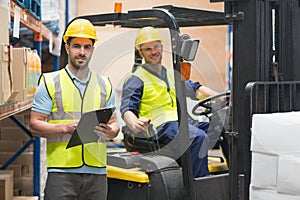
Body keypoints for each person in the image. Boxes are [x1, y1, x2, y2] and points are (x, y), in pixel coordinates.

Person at [29, 18, 120, 200]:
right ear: (67, 47)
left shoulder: (105, 85)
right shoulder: (50, 82)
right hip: (62, 173)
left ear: (92, 49)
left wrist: (110, 132)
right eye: (77, 46)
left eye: (87, 47)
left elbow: (114, 124)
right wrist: (65, 128)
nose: (82, 52)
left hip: (97, 173)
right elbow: (34, 125)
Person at [120, 26, 218, 178]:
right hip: (160, 127)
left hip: (180, 123)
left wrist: (221, 97)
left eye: (156, 47)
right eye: (148, 49)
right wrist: (134, 124)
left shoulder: (172, 74)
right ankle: (200, 191)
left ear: (162, 46)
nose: (154, 52)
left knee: (223, 130)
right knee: (198, 138)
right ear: (141, 52)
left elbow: (195, 89)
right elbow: (127, 108)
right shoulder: (136, 79)